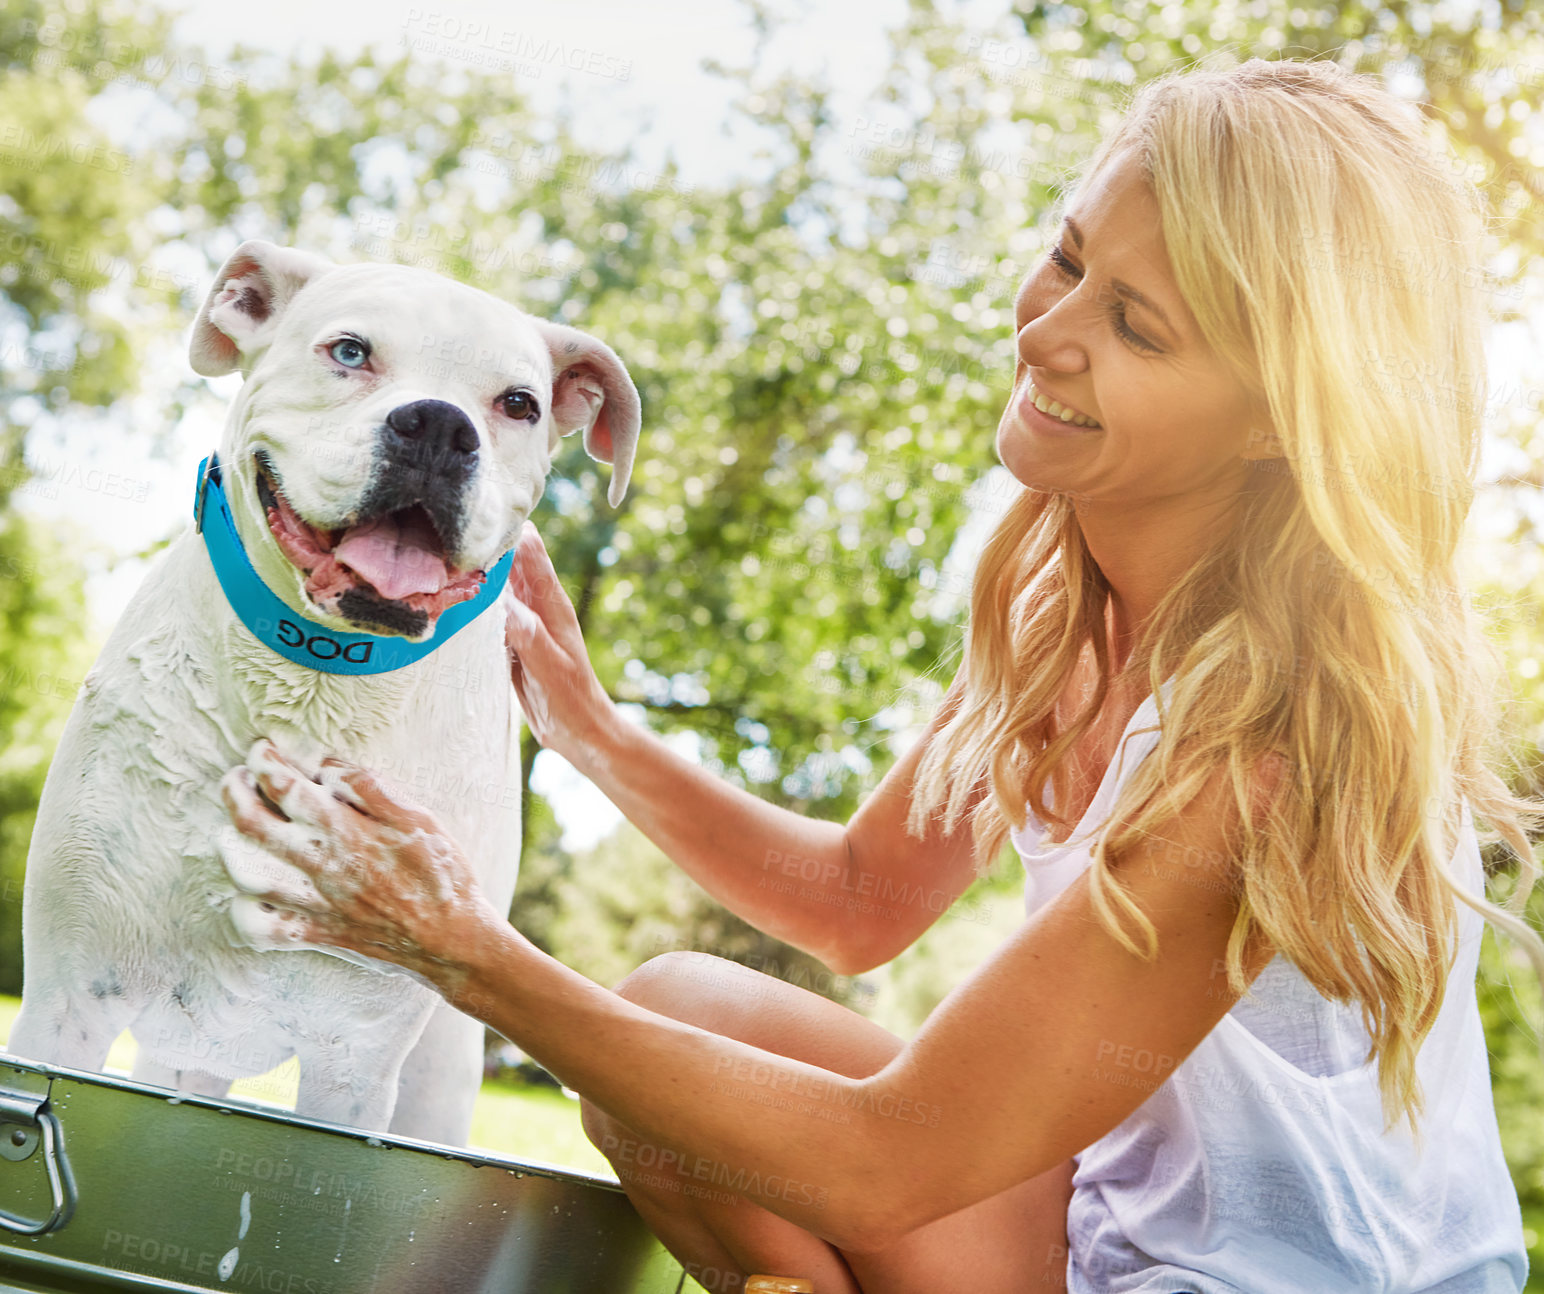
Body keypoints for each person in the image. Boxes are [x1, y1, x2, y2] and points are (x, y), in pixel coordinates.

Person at [219, 56, 1544, 1294]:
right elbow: (857, 898)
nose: (1047, 335)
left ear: (1278, 411)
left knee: (726, 1090)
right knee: (670, 1021)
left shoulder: (1268, 747)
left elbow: (887, 1157)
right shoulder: (1059, 607)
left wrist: (462, 948)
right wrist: (593, 733)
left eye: (1135, 324)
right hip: (1098, 1242)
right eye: (1067, 261)